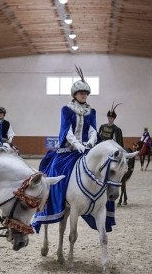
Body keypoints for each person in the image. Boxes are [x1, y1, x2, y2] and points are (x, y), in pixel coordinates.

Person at [33, 66, 109, 231]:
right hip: (69, 150)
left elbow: (93, 129)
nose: (84, 95)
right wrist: (77, 145)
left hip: (87, 148)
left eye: (86, 93)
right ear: (75, 94)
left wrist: (90, 142)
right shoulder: (66, 109)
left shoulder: (91, 111)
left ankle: (103, 203)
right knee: (56, 169)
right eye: (81, 93)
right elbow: (66, 130)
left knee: (104, 170)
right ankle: (55, 204)